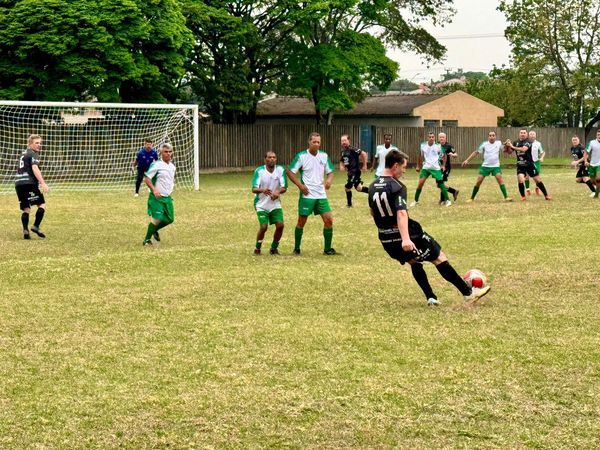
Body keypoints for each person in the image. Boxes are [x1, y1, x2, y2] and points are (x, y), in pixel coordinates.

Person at [368, 150, 491, 306]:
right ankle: (468, 293)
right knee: (439, 257)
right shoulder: (397, 186)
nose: (404, 171)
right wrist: (405, 238)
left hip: (386, 239)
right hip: (407, 235)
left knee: (414, 262)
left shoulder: (372, 186)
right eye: (403, 167)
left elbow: (373, 212)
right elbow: (401, 214)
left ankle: (431, 297)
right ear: (395, 165)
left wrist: (387, 229)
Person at [287, 132, 337, 255]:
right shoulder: (302, 156)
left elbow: (330, 171)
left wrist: (329, 180)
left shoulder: (324, 156)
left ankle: (327, 249)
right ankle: (297, 248)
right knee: (301, 222)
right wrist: (300, 186)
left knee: (329, 220)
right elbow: (289, 171)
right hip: (307, 195)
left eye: (318, 142)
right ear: (309, 142)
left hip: (321, 195)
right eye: (314, 142)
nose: (316, 144)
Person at [252, 151, 287, 255]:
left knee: (280, 225)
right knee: (263, 227)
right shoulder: (259, 171)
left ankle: (274, 248)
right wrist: (263, 190)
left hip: (275, 203)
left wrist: (277, 192)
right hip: (261, 204)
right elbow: (254, 189)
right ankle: (257, 248)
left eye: (274, 157)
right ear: (265, 159)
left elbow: (284, 187)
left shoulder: (280, 170)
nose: (272, 159)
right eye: (269, 157)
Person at [15, 134, 49, 239]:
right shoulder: (33, 154)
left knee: (26, 208)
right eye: (37, 143)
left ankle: (25, 230)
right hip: (29, 183)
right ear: (30, 144)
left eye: (40, 143)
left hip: (18, 184)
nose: (39, 145)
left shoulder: (23, 154)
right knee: (42, 204)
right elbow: (35, 168)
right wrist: (43, 183)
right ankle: (36, 226)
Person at [462, 131, 512, 202]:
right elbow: (476, 152)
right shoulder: (484, 144)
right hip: (485, 166)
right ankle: (472, 198)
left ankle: (506, 197)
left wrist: (507, 144)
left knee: (499, 179)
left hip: (495, 166)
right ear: (488, 137)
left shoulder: (499, 143)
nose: (492, 137)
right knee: (478, 181)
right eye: (490, 135)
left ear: (495, 137)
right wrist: (467, 160)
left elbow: (506, 151)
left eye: (493, 135)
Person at [142, 143, 176, 246]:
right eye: (166, 152)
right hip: (156, 197)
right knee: (157, 219)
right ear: (161, 153)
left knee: (170, 219)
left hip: (167, 197)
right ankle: (147, 240)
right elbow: (147, 179)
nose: (168, 154)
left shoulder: (172, 166)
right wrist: (154, 190)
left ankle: (154, 230)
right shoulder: (156, 164)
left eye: (170, 151)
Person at [504, 128, 551, 201]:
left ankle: (546, 195)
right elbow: (509, 152)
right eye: (521, 133)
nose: (522, 134)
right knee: (520, 180)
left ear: (526, 134)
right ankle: (523, 197)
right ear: (519, 134)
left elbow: (524, 149)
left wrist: (512, 146)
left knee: (537, 180)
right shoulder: (515, 142)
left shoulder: (528, 141)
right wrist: (507, 145)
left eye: (524, 133)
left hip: (529, 164)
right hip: (520, 164)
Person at [410, 131, 451, 207]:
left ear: (434, 138)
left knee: (441, 184)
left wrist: (443, 165)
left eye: (433, 137)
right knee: (420, 184)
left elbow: (444, 156)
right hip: (426, 168)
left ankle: (448, 200)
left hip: (436, 168)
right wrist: (418, 166)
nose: (431, 138)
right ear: (427, 138)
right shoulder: (423, 145)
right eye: (430, 137)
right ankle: (415, 201)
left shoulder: (438, 146)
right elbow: (419, 155)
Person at [339, 134, 368, 207]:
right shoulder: (343, 151)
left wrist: (365, 165)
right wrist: (342, 166)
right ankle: (373, 192)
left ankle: (349, 204)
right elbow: (342, 160)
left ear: (349, 140)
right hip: (350, 172)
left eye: (345, 140)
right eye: (342, 141)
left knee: (347, 188)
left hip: (354, 172)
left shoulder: (352, 149)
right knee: (359, 188)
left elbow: (364, 154)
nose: (343, 142)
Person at [438, 132, 459, 203]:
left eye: (443, 137)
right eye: (440, 137)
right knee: (439, 184)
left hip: (446, 167)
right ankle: (454, 191)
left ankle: (442, 199)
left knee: (441, 183)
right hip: (438, 167)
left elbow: (456, 154)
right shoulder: (437, 146)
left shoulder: (449, 146)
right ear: (438, 138)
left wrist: (452, 154)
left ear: (445, 138)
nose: (441, 138)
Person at [527, 130, 545, 195]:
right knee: (526, 176)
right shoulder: (526, 143)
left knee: (537, 177)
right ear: (528, 135)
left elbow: (542, 152)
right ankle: (527, 189)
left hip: (536, 162)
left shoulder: (538, 143)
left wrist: (542, 157)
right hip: (528, 162)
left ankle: (537, 188)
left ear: (535, 135)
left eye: (533, 134)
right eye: (530, 134)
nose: (532, 135)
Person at [584, 130, 600, 198]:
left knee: (598, 179)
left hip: (599, 164)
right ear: (596, 135)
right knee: (593, 181)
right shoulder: (592, 142)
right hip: (592, 164)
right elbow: (586, 152)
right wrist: (585, 161)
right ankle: (597, 190)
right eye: (598, 134)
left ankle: (596, 195)